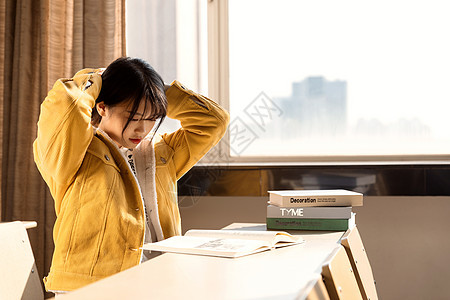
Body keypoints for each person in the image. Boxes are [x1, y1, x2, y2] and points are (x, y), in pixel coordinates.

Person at [33, 57, 229, 294]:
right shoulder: (77, 151)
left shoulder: (162, 153)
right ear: (102, 106)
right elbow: (67, 103)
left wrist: (154, 89)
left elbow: (215, 120)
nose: (142, 129)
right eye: (133, 117)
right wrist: (98, 79)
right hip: (90, 286)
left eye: (151, 118)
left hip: (157, 280)